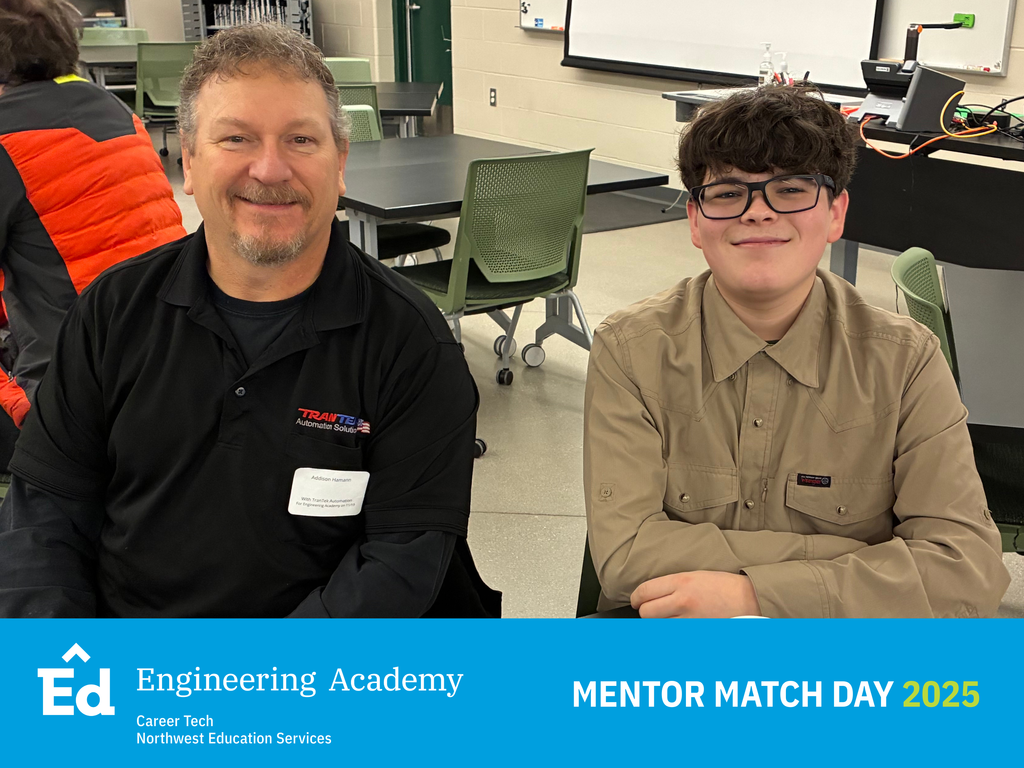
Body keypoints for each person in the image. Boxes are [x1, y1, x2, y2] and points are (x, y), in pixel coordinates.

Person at [0, 23, 499, 618]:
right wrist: (68, 672)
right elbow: (45, 515)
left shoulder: (411, 343)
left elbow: (402, 557)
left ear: (340, 162)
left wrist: (250, 686)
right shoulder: (111, 313)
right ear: (187, 160)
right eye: (235, 138)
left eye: (301, 141)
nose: (269, 169)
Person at [583, 87, 1010, 618]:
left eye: (790, 189)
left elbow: (964, 570)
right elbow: (627, 560)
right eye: (727, 192)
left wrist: (755, 594)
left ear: (836, 213)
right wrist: (870, 565)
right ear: (695, 220)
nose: (758, 213)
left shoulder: (906, 363)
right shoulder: (631, 351)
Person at [0, 0, 185, 429]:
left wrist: (20, 405)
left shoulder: (7, 139)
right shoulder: (119, 113)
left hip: (79, 396)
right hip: (174, 358)